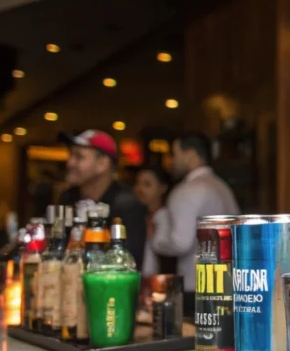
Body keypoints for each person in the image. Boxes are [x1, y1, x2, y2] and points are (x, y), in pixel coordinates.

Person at [149, 133, 239, 313]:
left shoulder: (187, 190)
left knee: (198, 339)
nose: (171, 161)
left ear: (190, 154)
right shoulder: (222, 187)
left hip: (196, 284)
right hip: (229, 283)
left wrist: (155, 238)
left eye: (174, 154)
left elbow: (180, 242)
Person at [58, 130, 147, 267]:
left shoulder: (126, 204)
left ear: (103, 164)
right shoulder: (68, 198)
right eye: (71, 155)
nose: (70, 163)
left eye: (79, 157)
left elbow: (129, 265)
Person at [133, 165, 177, 278]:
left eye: (147, 184)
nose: (140, 189)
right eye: (138, 183)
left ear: (162, 188)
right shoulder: (136, 216)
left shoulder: (168, 218)